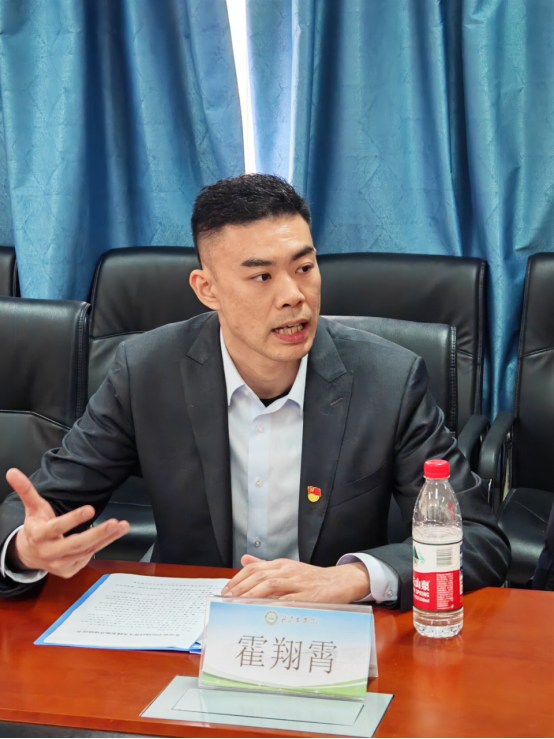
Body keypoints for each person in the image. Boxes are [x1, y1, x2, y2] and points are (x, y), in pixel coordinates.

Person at [0, 174, 510, 610]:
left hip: (333, 628)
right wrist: (22, 549)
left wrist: (354, 577)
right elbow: (44, 508)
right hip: (191, 625)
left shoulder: (389, 380)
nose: (293, 296)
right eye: (261, 276)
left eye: (304, 268)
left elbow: (479, 540)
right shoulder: (146, 371)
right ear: (207, 289)